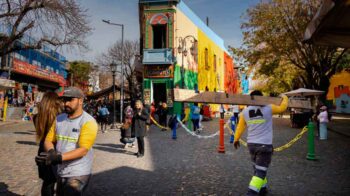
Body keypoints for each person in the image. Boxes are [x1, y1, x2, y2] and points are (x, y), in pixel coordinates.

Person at [35, 86, 98, 196]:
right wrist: (50, 153)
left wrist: (58, 158)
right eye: (64, 100)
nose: (66, 103)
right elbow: (48, 140)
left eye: (70, 100)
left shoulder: (88, 122)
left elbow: (83, 150)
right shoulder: (59, 118)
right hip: (62, 171)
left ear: (80, 101)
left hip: (79, 173)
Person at [234, 90, 288, 196]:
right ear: (262, 98)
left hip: (251, 145)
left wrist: (236, 139)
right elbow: (283, 107)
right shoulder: (269, 108)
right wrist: (284, 96)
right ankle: (251, 193)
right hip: (264, 145)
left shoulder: (245, 112)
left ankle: (263, 189)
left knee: (257, 167)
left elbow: (240, 127)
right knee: (260, 171)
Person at [33, 92, 62, 196]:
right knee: (58, 181)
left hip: (42, 150)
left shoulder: (36, 117)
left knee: (47, 182)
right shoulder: (59, 117)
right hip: (55, 149)